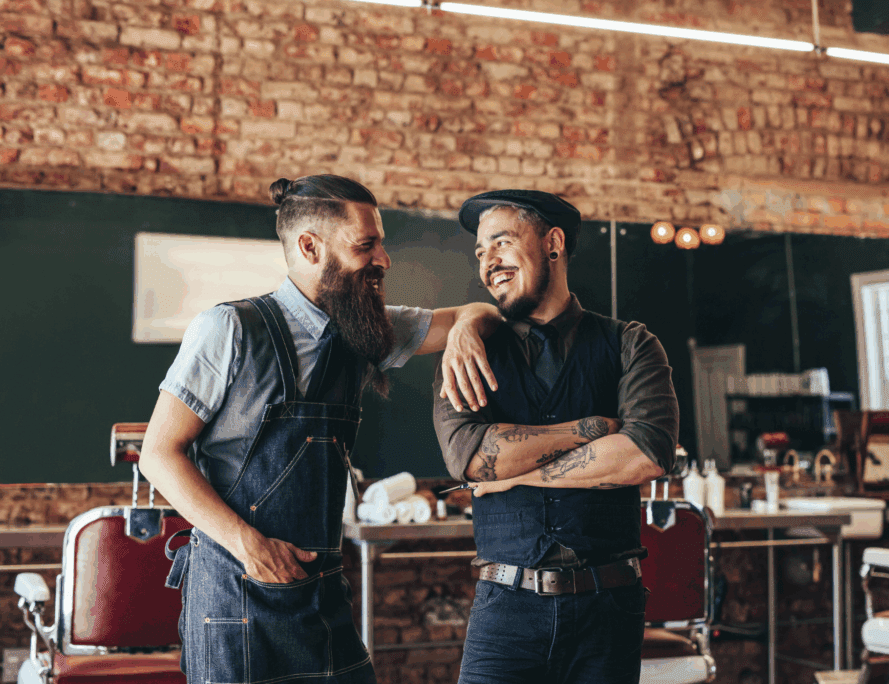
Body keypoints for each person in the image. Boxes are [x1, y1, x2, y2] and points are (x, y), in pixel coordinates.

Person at [139, 174, 500, 684]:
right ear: (310, 246)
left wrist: (464, 329)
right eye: (366, 245)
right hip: (236, 592)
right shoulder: (229, 328)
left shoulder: (367, 330)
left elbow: (480, 310)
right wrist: (248, 544)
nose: (384, 260)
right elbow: (159, 453)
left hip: (321, 592)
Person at [432, 189, 680, 684]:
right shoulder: (468, 353)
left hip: (607, 610)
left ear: (553, 243)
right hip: (504, 611)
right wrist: (595, 431)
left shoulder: (631, 344)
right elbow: (473, 460)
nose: (489, 262)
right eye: (481, 252)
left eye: (501, 242)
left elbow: (647, 453)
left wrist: (511, 478)